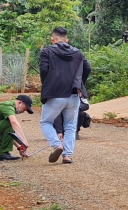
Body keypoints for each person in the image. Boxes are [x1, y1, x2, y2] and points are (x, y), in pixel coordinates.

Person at [39, 27, 91, 164]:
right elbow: (87, 68)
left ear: (52, 39)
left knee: (46, 121)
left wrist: (48, 85)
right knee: (71, 126)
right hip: (74, 94)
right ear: (66, 39)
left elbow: (44, 70)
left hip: (55, 94)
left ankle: (57, 145)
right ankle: (67, 155)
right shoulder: (77, 53)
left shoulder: (46, 52)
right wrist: (79, 84)